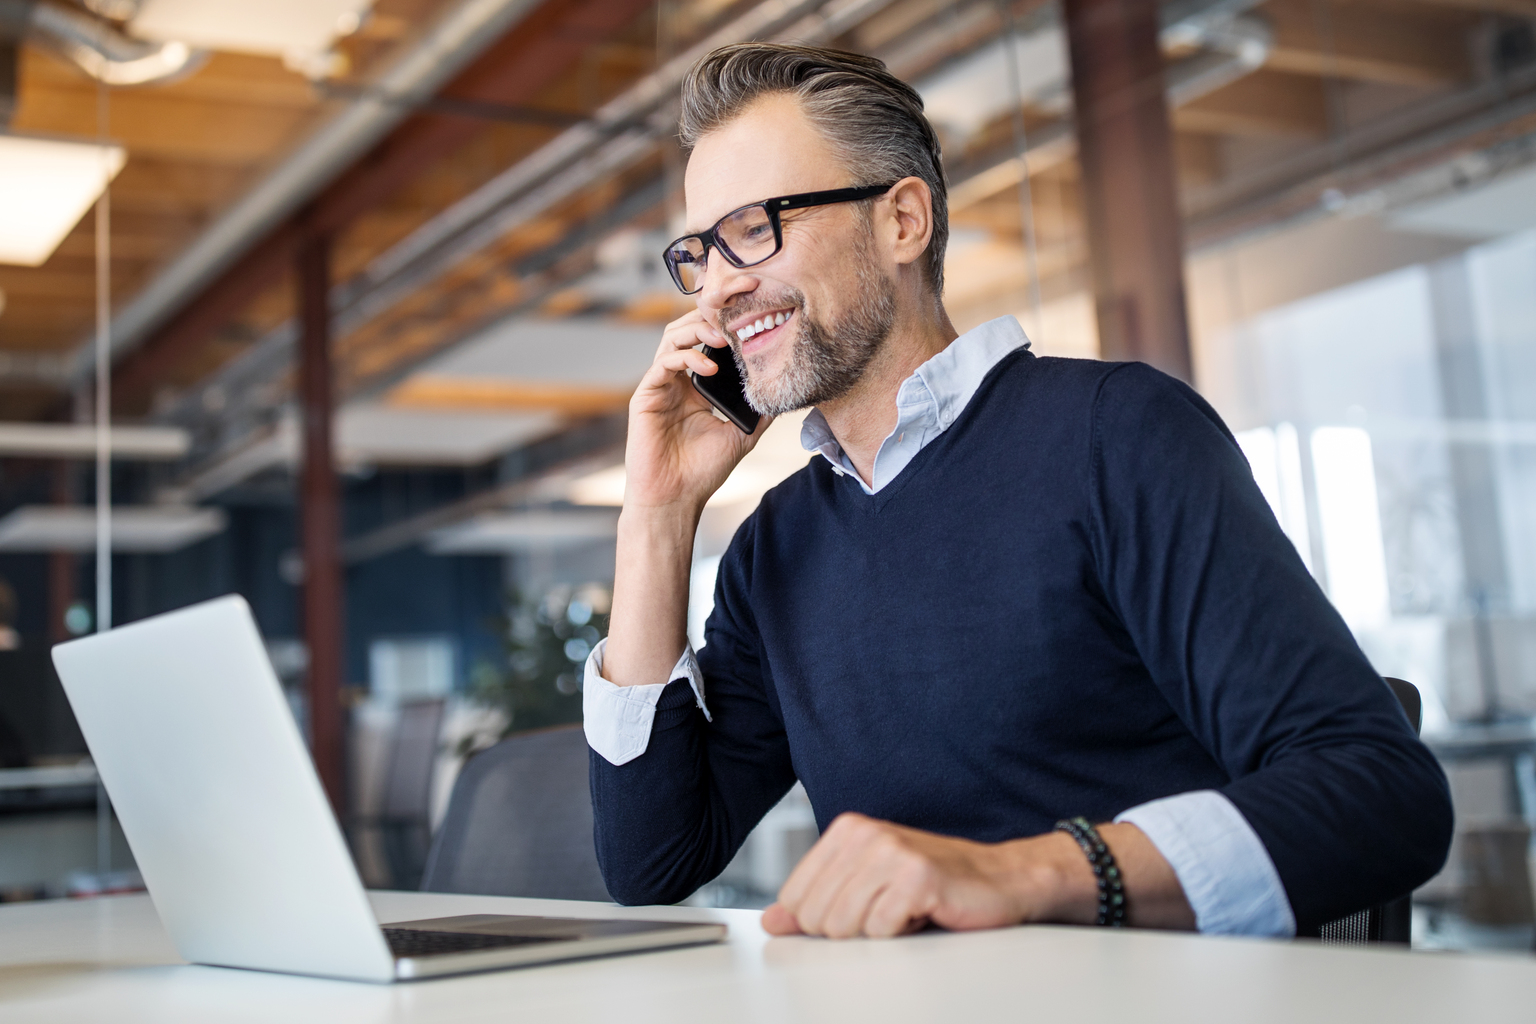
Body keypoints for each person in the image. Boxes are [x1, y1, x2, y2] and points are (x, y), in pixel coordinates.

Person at [581, 43, 1452, 939]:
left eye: (756, 227)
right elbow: (653, 861)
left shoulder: (1116, 435)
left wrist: (1022, 875)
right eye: (698, 253)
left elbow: (1381, 793)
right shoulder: (777, 547)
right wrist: (656, 515)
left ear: (903, 222)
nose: (719, 287)